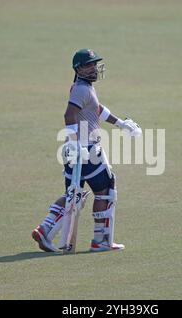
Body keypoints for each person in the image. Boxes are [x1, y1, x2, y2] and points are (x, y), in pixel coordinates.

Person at [31, 49, 141, 252]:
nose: (94, 68)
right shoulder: (81, 89)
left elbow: (96, 108)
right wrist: (76, 142)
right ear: (79, 69)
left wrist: (120, 123)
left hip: (75, 150)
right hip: (86, 149)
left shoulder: (82, 88)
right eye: (89, 65)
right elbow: (69, 115)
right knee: (106, 190)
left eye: (95, 64)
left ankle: (45, 229)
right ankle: (101, 241)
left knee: (75, 193)